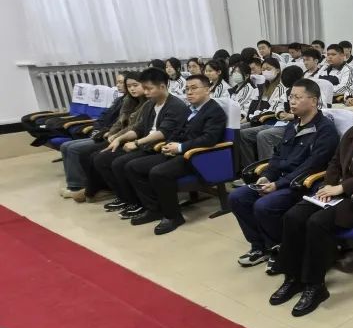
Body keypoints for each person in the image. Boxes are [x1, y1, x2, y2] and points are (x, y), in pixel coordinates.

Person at [273, 85, 353, 316]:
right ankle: (293, 277)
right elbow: (334, 162)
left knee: (317, 222)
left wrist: (341, 188)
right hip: (335, 191)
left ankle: (315, 286)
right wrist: (328, 186)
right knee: (293, 216)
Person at [231, 78, 340, 268]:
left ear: (313, 101)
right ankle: (259, 246)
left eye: (298, 97)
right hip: (280, 180)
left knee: (264, 206)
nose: (292, 101)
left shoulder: (325, 130)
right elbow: (277, 156)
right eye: (291, 97)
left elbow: (311, 167)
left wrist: (277, 185)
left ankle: (281, 248)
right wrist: (267, 176)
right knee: (237, 197)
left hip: (301, 183)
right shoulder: (293, 125)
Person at [124, 74, 228, 234]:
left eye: (194, 88)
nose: (189, 92)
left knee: (158, 173)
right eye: (187, 89)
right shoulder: (192, 109)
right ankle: (154, 209)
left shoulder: (214, 111)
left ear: (207, 90)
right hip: (180, 153)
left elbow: (209, 139)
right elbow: (179, 131)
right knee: (133, 167)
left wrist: (180, 147)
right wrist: (168, 144)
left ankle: (173, 216)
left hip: (197, 157)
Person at [85, 68, 189, 215]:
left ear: (162, 86)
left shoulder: (175, 105)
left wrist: (137, 143)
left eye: (148, 88)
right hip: (146, 144)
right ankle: (127, 198)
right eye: (144, 88)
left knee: (122, 164)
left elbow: (162, 133)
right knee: (102, 158)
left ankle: (143, 203)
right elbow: (138, 129)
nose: (145, 92)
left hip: (158, 147)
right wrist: (119, 138)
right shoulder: (150, 104)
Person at [61, 73, 143, 201]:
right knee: (83, 152)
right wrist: (111, 133)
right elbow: (118, 121)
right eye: (129, 86)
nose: (132, 89)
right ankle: (90, 188)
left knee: (93, 155)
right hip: (115, 135)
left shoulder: (147, 103)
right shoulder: (128, 100)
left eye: (135, 85)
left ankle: (93, 190)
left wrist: (116, 136)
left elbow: (136, 127)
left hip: (131, 138)